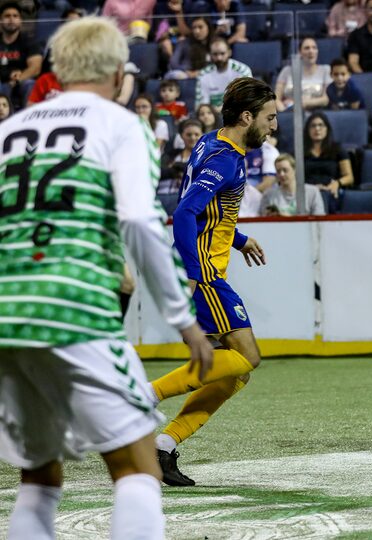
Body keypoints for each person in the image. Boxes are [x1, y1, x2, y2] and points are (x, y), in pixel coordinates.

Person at [0, 16, 213, 539]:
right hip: (74, 313)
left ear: (56, 68)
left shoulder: (9, 131)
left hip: (6, 318)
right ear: (120, 72)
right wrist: (182, 320)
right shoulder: (122, 125)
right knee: (138, 466)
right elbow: (139, 222)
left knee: (40, 475)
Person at [151, 77, 276, 486]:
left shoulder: (213, 142)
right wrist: (195, 272)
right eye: (269, 118)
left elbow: (208, 212)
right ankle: (142, 394)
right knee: (248, 357)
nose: (273, 126)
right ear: (247, 117)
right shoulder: (226, 159)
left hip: (209, 265)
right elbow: (185, 213)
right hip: (206, 272)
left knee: (234, 373)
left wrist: (237, 239)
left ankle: (163, 447)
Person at [303, 111, 354, 209]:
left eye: (321, 125)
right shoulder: (300, 151)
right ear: (307, 130)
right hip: (307, 192)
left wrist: (337, 183)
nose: (317, 129)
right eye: (313, 126)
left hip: (330, 191)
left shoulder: (337, 149)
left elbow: (349, 177)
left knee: (325, 197)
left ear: (327, 129)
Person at [0, 1, 42, 108]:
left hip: (21, 81)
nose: (11, 19)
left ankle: (27, 120)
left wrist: (17, 80)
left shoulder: (29, 42)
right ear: (1, 21)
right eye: (7, 16)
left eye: (15, 16)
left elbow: (35, 67)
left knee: (30, 85)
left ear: (20, 21)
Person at [274, 37, 331, 112]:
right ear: (300, 52)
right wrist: (284, 112)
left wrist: (302, 103)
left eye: (314, 48)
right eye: (307, 48)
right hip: (289, 113)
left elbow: (326, 99)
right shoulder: (286, 70)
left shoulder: (326, 70)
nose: (311, 51)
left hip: (317, 114)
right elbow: (275, 98)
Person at [260, 154, 327, 216]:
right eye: (278, 171)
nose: (281, 174)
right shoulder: (268, 195)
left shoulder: (312, 192)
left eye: (285, 170)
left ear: (294, 170)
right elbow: (264, 220)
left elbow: (319, 219)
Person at [195, 37, 253, 109]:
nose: (219, 58)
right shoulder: (203, 74)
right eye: (215, 54)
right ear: (210, 55)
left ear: (229, 52)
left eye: (222, 53)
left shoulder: (242, 70)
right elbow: (201, 106)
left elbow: (247, 100)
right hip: (213, 116)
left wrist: (223, 109)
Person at [166, 15, 213, 80]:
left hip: (206, 73)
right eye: (194, 28)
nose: (197, 31)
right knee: (176, 75)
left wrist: (200, 72)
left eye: (200, 27)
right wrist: (187, 71)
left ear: (208, 28)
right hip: (185, 73)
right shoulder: (183, 43)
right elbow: (173, 63)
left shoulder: (214, 44)